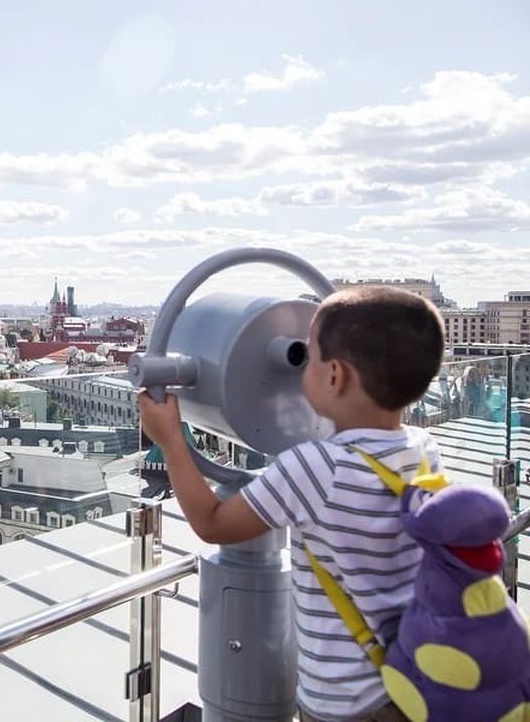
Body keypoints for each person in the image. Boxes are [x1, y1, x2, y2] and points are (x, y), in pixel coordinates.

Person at [139, 286, 446, 722]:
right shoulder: (423, 447)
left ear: (334, 376)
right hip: (418, 680)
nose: (300, 368)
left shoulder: (315, 468)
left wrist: (171, 440)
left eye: (310, 356)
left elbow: (213, 524)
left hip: (344, 701)